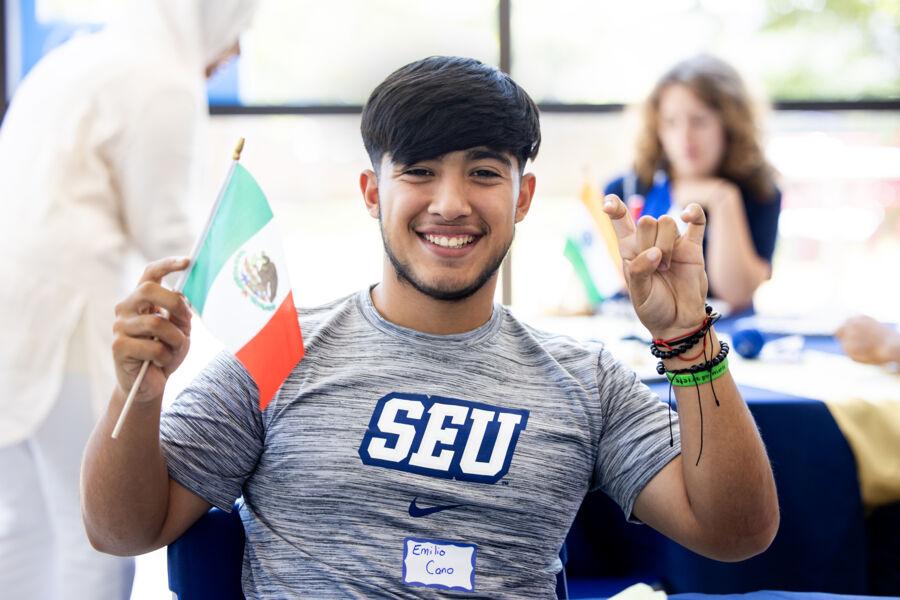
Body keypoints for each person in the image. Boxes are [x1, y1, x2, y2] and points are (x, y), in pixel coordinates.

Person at [82, 56, 779, 598]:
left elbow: (736, 532)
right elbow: (121, 530)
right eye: (418, 172)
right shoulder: (278, 355)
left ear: (523, 196)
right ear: (372, 192)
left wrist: (689, 337)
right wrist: (136, 398)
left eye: (482, 173)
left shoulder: (584, 379)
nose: (451, 204)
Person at [0, 1, 258, 598]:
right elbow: (169, 240)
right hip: (61, 326)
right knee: (93, 532)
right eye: (237, 26)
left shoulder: (75, 58)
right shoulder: (160, 80)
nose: (237, 51)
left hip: (12, 320)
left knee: (20, 525)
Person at [605, 54, 781, 311]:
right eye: (671, 122)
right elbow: (607, 282)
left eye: (699, 121)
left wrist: (723, 198)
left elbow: (735, 294)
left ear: (730, 125)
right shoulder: (625, 191)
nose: (685, 137)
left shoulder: (759, 193)